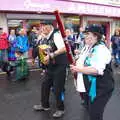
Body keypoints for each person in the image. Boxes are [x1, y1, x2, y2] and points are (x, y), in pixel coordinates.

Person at [70, 24, 114, 120]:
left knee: (95, 114)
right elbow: (83, 60)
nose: (85, 36)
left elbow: (96, 70)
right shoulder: (88, 46)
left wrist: (78, 69)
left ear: (96, 36)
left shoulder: (101, 49)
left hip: (100, 88)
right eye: (85, 33)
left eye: (87, 33)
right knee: (90, 111)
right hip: (89, 86)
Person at [33, 24, 68, 118]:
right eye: (42, 27)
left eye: (45, 27)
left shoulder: (56, 35)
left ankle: (61, 109)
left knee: (58, 89)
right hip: (50, 66)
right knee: (45, 85)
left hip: (60, 66)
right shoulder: (46, 37)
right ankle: (45, 105)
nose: (43, 29)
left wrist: (52, 55)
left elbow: (64, 48)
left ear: (50, 27)